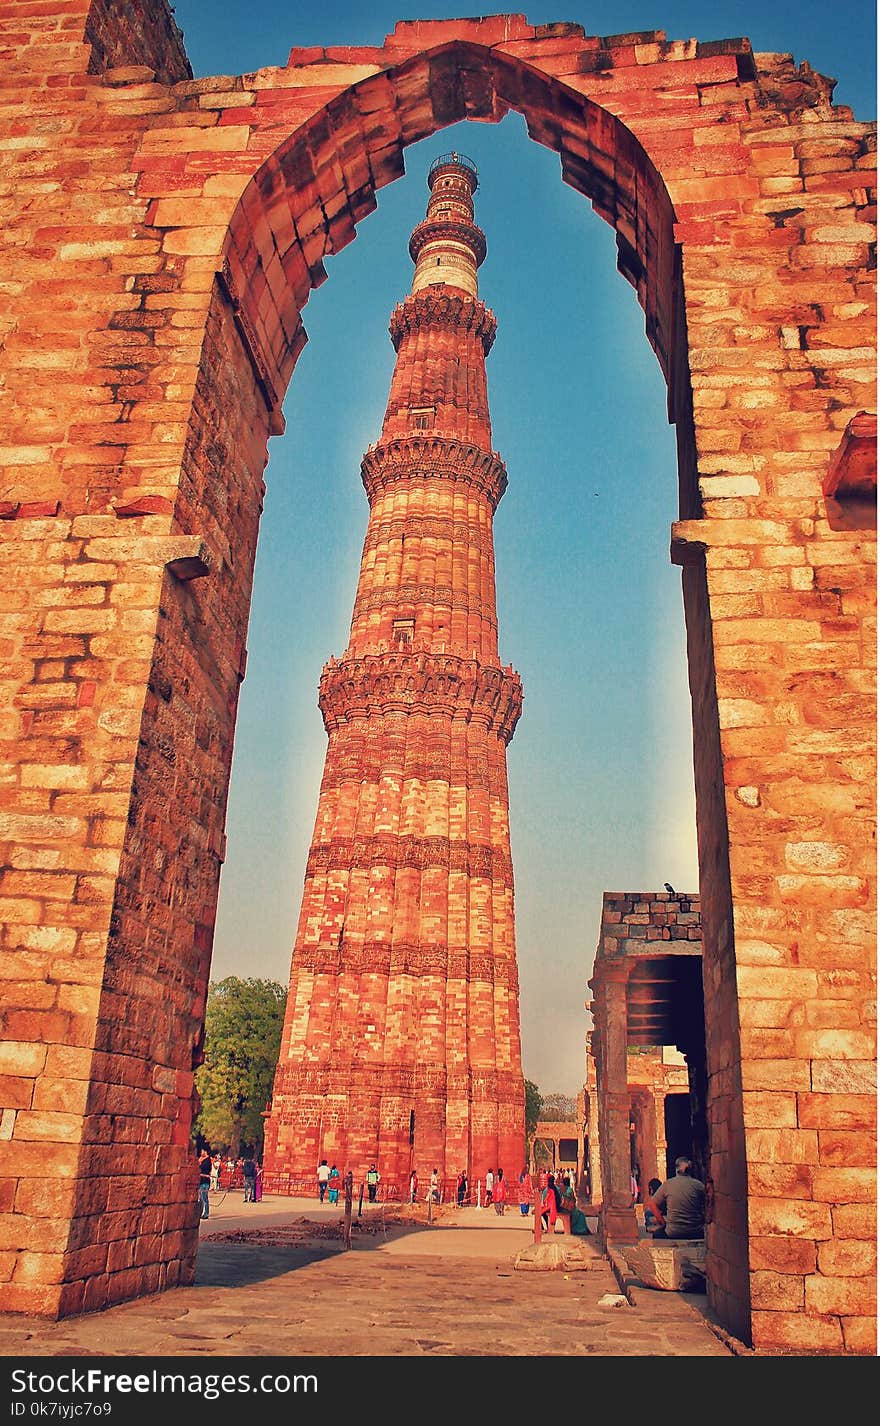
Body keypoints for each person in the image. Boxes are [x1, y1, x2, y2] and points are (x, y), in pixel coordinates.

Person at [648, 1157, 706, 1240]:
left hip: (673, 1232)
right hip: (695, 1232)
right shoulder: (699, 1185)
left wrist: (662, 1222)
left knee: (657, 1234)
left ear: (676, 1169)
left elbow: (652, 1204)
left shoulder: (668, 1184)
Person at [197, 1145, 212, 1220]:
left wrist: (200, 1163)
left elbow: (204, 1169)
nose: (201, 1152)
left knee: (204, 1198)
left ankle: (206, 1213)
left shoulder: (207, 1160)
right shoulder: (201, 1160)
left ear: (205, 1152)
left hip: (205, 1181)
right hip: (201, 1180)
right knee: (200, 1198)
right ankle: (201, 1212)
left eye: (202, 1151)